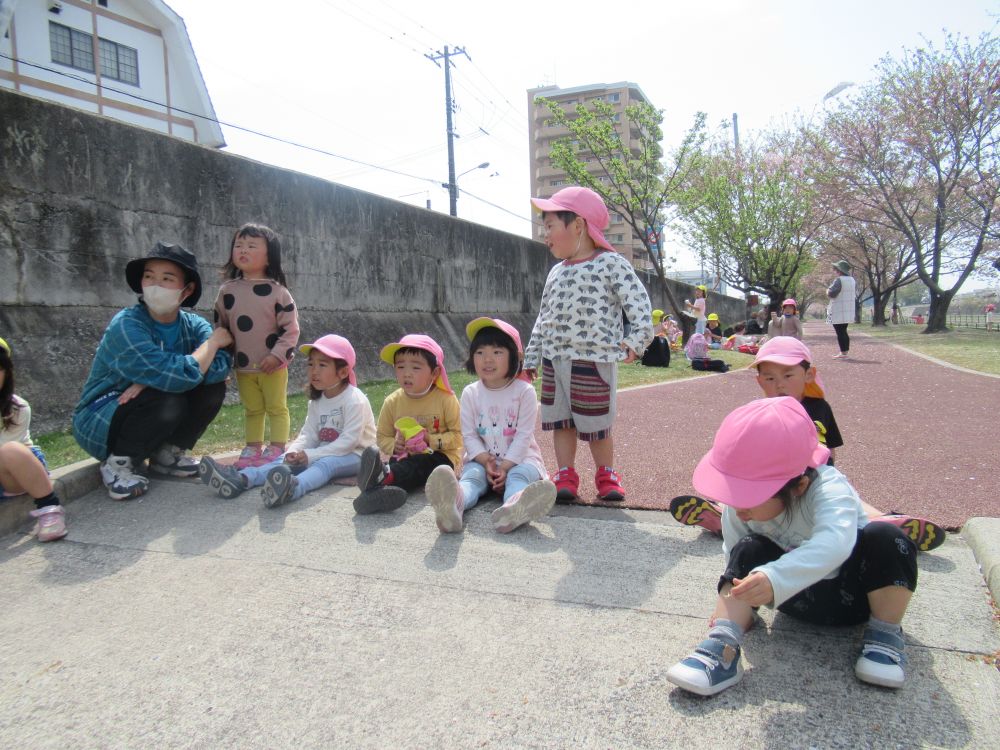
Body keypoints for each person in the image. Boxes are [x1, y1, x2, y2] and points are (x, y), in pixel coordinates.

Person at [665, 397, 918, 696]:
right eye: (733, 491)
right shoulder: (739, 507)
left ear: (799, 487)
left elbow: (834, 544)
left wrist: (776, 578)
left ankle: (884, 637)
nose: (736, 505)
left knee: (889, 538)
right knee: (747, 547)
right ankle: (722, 646)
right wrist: (736, 608)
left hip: (855, 600)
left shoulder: (830, 489)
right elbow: (735, 558)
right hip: (793, 601)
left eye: (750, 493)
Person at [670, 336, 945, 551]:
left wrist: (831, 476)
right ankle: (722, 514)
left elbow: (831, 449)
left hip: (814, 479)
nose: (779, 385)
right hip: (770, 486)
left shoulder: (819, 408)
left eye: (788, 376)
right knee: (741, 493)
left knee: (849, 498)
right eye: (769, 378)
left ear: (809, 375)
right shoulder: (759, 412)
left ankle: (882, 523)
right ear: (758, 381)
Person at [73, 243, 232, 501]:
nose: (155, 285)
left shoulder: (193, 325)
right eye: (149, 276)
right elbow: (181, 375)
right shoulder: (126, 325)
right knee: (169, 396)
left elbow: (219, 368)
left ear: (187, 290)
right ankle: (117, 465)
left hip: (150, 403)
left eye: (167, 278)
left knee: (211, 389)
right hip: (103, 414)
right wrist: (211, 345)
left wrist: (153, 380)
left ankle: (166, 456)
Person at [524, 186, 653, 503]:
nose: (546, 236)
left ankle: (606, 472)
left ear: (578, 225)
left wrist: (636, 341)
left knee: (597, 425)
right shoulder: (555, 272)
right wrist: (532, 357)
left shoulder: (611, 264)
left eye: (551, 227)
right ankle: (565, 473)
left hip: (593, 360)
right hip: (555, 360)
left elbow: (639, 305)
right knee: (561, 422)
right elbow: (544, 317)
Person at [198, 334, 376, 508]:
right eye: (311, 364)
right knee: (285, 460)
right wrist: (294, 452)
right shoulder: (317, 400)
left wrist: (312, 455)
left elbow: (348, 441)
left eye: (322, 365)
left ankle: (293, 488)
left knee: (324, 464)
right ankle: (242, 479)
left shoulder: (354, 400)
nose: (314, 370)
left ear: (343, 372)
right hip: (325, 449)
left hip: (356, 454)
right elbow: (309, 434)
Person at [426, 318, 556, 534]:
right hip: (481, 461)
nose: (487, 359)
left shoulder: (524, 392)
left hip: (522, 459)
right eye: (480, 352)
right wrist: (486, 461)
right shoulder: (470, 393)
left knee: (518, 476)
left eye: (497, 352)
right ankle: (454, 503)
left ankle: (512, 508)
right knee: (472, 479)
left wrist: (504, 467)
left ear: (515, 356)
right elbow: (468, 434)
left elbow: (523, 436)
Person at [214, 223, 300, 468]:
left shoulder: (278, 292)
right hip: (243, 366)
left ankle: (277, 447)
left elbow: (291, 329)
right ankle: (252, 447)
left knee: (276, 407)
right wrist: (221, 365)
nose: (243, 250)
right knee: (252, 409)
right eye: (239, 245)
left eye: (252, 245)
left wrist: (277, 356)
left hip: (273, 366)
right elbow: (221, 330)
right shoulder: (227, 291)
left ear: (269, 255)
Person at [353, 334, 462, 514]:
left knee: (420, 465)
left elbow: (458, 437)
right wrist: (395, 446)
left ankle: (380, 481)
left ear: (434, 373)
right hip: (404, 455)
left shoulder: (446, 399)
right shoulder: (392, 401)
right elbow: (382, 437)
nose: (407, 373)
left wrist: (430, 439)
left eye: (416, 368)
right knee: (399, 465)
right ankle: (378, 489)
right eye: (400, 367)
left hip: (440, 456)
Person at [0, 337, 67, 541]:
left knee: (10, 450)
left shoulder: (16, 409)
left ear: (7, 373)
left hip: (15, 472)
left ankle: (49, 509)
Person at [827, 260, 856, 358]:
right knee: (844, 330)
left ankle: (843, 352)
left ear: (839, 270)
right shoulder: (852, 280)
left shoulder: (839, 280)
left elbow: (832, 293)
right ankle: (845, 351)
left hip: (839, 309)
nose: (835, 271)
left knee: (840, 331)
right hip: (848, 308)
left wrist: (827, 291)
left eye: (836, 269)